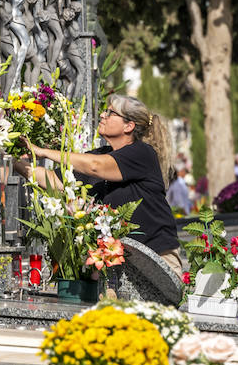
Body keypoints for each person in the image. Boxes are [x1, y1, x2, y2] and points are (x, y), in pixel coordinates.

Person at [18, 94, 184, 271]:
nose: (103, 115)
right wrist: (13, 159)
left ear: (129, 126)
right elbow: (53, 180)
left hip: (157, 257)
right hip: (119, 261)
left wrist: (42, 152)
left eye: (110, 112)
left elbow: (95, 166)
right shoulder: (100, 155)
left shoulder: (142, 153)